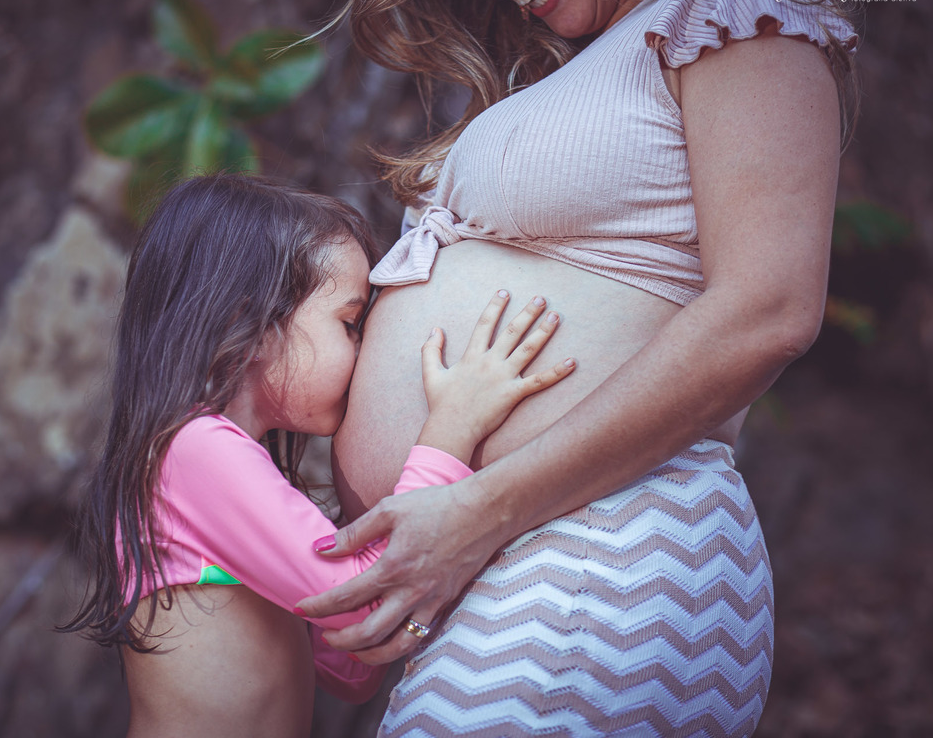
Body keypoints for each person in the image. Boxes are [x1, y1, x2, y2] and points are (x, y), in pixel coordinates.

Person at [295, 0, 859, 735]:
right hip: (532, 563)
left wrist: (478, 513)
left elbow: (769, 309)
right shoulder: (593, 61)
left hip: (602, 547)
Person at [62, 174, 577, 738]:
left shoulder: (213, 459)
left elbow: (349, 662)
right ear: (249, 327)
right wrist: (451, 428)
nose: (363, 351)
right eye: (350, 325)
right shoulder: (193, 451)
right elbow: (356, 607)